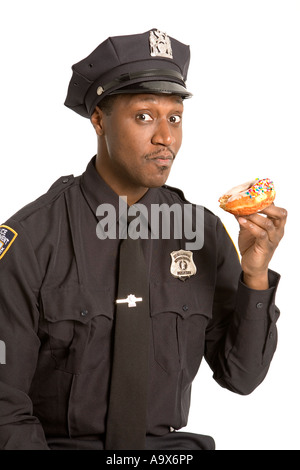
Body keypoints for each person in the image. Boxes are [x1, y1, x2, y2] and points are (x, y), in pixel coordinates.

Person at [0, 28, 287, 450]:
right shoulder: (31, 238)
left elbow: (241, 376)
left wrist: (255, 275)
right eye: (144, 116)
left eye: (174, 117)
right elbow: (4, 406)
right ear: (99, 119)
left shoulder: (201, 233)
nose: (165, 138)